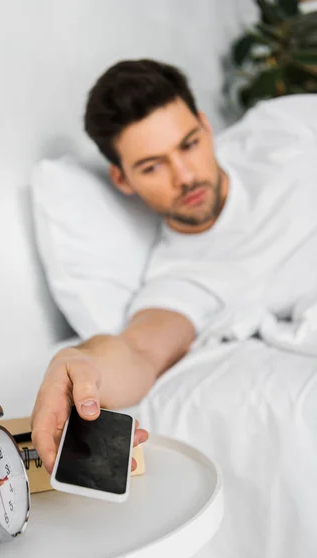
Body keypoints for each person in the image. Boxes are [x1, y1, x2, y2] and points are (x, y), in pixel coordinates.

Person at [30, 58, 317, 473]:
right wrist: (80, 363)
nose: (185, 176)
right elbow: (138, 351)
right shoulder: (182, 277)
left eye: (189, 144)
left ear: (205, 124)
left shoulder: (277, 126)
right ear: (122, 180)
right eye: (152, 166)